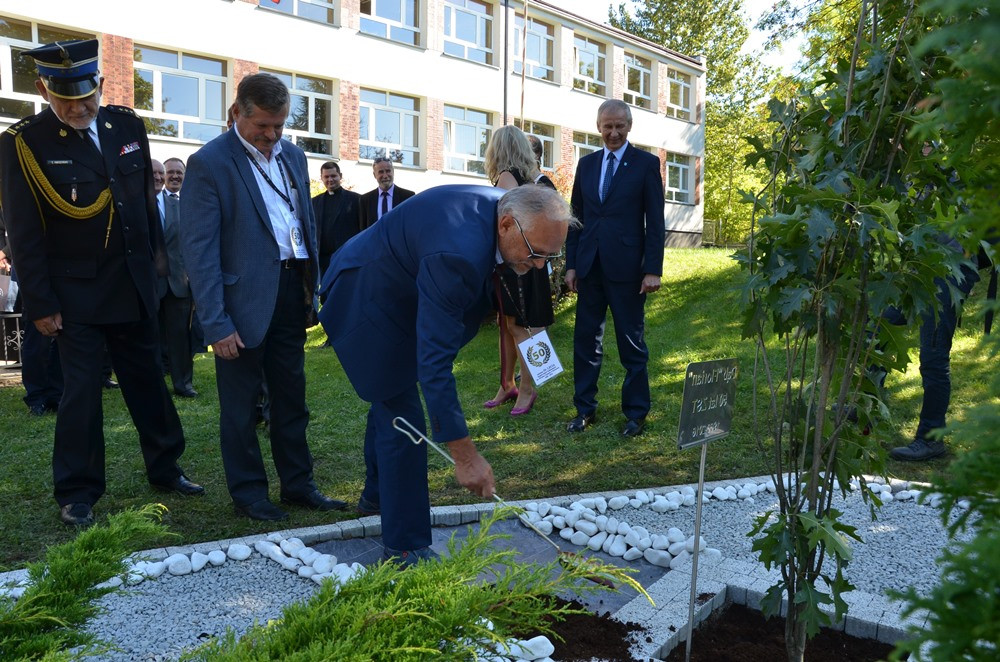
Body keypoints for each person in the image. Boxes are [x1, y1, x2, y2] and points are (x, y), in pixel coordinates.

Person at [0, 39, 204, 526]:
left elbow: (144, 211)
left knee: (147, 382)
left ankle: (165, 465)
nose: (78, 105)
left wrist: (158, 271)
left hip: (133, 284)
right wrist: (41, 303)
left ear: (100, 83)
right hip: (75, 295)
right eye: (65, 96)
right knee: (83, 391)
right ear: (44, 88)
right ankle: (77, 489)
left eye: (86, 93)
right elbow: (23, 232)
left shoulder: (126, 125)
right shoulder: (23, 143)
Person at [319, 184, 574, 565]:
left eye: (550, 257)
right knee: (403, 417)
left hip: (405, 291)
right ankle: (407, 546)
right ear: (506, 225)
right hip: (368, 298)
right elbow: (433, 363)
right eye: (536, 253)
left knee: (390, 399)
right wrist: (465, 456)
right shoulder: (457, 252)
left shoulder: (507, 218)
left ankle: (376, 496)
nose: (539, 265)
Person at [181, 72, 345, 521]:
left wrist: (310, 292)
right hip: (240, 305)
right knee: (240, 407)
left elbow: (304, 225)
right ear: (238, 113)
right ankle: (249, 494)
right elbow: (199, 251)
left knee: (292, 398)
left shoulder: (292, 155)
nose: (272, 136)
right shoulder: (209, 163)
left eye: (279, 126)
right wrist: (216, 322)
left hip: (291, 292)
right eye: (263, 127)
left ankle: (298, 485)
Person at [565, 99, 665, 438]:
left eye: (619, 125)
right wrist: (571, 265)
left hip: (629, 271)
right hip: (590, 266)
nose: (613, 132)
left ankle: (636, 413)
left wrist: (653, 269)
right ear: (598, 127)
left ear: (629, 126)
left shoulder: (646, 164)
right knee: (585, 342)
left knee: (631, 343)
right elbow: (575, 218)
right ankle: (583, 409)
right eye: (607, 126)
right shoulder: (587, 164)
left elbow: (656, 221)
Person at [482, 125, 556, 416]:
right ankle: (509, 384)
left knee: (522, 326)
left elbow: (508, 220)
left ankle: (527, 389)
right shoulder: (531, 177)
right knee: (516, 324)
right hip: (532, 259)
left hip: (517, 262)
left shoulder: (507, 176)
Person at [157, 157, 197, 398]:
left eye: (179, 173)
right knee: (152, 338)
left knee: (181, 339)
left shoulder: (193, 205)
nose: (174, 176)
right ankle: (156, 383)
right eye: (169, 172)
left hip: (180, 283)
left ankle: (183, 384)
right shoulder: (150, 202)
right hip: (154, 284)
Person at [312, 160, 362, 278]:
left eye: (333, 176)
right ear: (322, 178)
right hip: (322, 261)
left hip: (346, 258)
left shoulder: (356, 200)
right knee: (324, 295)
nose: (330, 179)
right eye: (326, 176)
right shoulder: (314, 202)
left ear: (340, 176)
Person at [358, 157, 414, 229]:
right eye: (381, 172)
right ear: (374, 175)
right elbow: (363, 230)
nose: (385, 176)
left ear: (393, 172)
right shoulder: (365, 200)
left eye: (388, 171)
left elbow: (411, 225)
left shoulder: (408, 197)